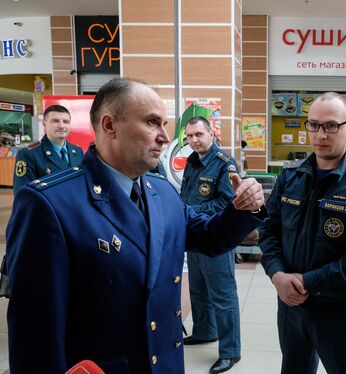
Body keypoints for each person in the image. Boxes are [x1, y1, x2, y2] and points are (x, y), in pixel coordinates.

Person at [6, 78, 266, 374]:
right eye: (152, 123)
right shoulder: (49, 203)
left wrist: (243, 208)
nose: (165, 137)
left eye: (164, 124)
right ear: (109, 126)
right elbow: (35, 333)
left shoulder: (163, 191)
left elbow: (209, 237)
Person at [260, 92, 346, 374]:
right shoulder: (290, 176)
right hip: (291, 307)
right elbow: (269, 230)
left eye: (331, 126)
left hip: (341, 312)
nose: (320, 134)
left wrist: (308, 280)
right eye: (313, 125)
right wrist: (277, 274)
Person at [179, 116, 241, 374]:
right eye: (190, 136)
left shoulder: (224, 164)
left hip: (216, 239)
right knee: (198, 290)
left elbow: (228, 202)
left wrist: (188, 210)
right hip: (195, 238)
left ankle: (230, 352)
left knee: (223, 297)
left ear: (211, 134)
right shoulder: (192, 162)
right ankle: (204, 332)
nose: (194, 140)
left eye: (199, 135)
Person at [13, 104, 84, 194]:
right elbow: (23, 194)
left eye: (66, 121)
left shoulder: (77, 152)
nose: (62, 126)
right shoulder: (28, 154)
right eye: (55, 121)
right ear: (44, 124)